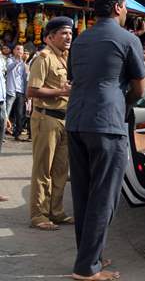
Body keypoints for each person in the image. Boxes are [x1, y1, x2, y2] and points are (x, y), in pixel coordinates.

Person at [66, 0, 145, 281]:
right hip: (106, 124)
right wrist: (120, 103)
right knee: (104, 197)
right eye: (125, 7)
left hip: (76, 121)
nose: (125, 12)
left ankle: (90, 257)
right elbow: (139, 87)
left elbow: (76, 80)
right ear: (117, 7)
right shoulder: (128, 40)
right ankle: (86, 268)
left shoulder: (81, 39)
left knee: (84, 195)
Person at [27, 17, 74, 231]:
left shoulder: (65, 58)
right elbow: (31, 91)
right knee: (43, 168)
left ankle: (56, 211)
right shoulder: (44, 57)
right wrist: (61, 92)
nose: (68, 36)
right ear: (51, 36)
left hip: (64, 119)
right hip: (46, 118)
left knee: (61, 169)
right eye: (64, 33)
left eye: (70, 33)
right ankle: (39, 215)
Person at [5, 44, 28, 140]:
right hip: (11, 90)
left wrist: (26, 92)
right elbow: (9, 68)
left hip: (20, 91)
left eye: (21, 50)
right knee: (6, 112)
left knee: (19, 113)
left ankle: (17, 133)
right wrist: (18, 61)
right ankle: (2, 133)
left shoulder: (24, 64)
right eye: (18, 49)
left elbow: (25, 78)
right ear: (13, 51)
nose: (20, 51)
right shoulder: (10, 60)